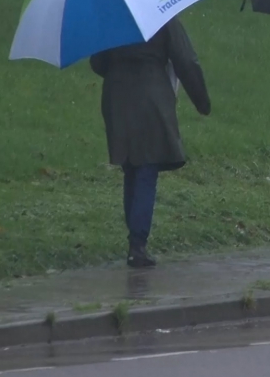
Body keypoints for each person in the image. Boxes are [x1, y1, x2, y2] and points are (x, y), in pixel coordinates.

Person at [90, 18, 211, 268]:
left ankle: (135, 240)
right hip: (151, 95)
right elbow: (186, 60)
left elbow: (98, 62)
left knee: (131, 166)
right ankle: (138, 244)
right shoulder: (162, 14)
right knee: (147, 167)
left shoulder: (113, 16)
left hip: (116, 95)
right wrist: (202, 101)